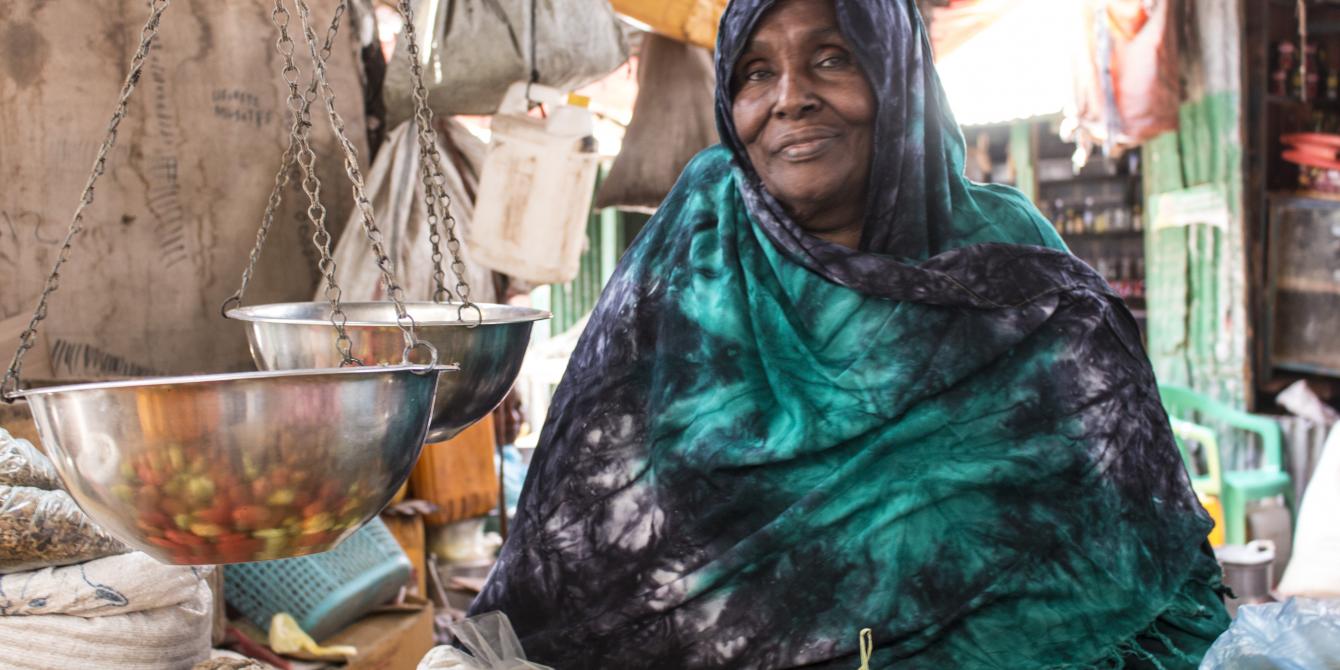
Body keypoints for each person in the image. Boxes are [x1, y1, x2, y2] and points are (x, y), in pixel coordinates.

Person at [470, 0, 1231, 667]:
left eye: (833, 58)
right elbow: (584, 515)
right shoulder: (699, 238)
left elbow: (1124, 527)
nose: (790, 99)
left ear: (898, 76)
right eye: (755, 73)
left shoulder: (1005, 256)